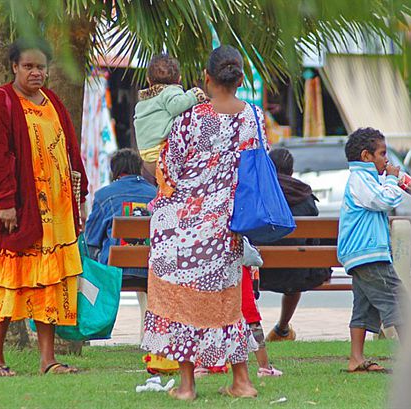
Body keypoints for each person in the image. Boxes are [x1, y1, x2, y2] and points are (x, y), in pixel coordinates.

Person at [141, 45, 262, 400]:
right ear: (240, 78)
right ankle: (241, 381)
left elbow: (169, 172)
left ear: (206, 79)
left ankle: (187, 385)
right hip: (226, 228)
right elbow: (255, 169)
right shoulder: (252, 117)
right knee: (227, 303)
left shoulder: (188, 119)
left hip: (181, 229)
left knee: (179, 304)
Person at [0, 38, 88, 376]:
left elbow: (71, 151)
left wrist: (79, 198)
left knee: (50, 284)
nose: (36, 72)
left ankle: (48, 360)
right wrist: (4, 203)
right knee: (9, 280)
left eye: (41, 67)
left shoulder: (52, 100)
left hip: (57, 214)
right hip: (20, 212)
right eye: (29, 66)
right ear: (14, 67)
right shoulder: (0, 102)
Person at [338, 127, 405, 373]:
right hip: (368, 254)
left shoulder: (365, 179)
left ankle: (356, 358)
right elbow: (383, 200)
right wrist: (392, 179)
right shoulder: (361, 179)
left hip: (362, 255)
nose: (386, 159)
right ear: (366, 156)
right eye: (382, 153)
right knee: (399, 302)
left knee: (364, 307)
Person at [84, 148, 156, 340]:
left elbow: (92, 239)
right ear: (139, 168)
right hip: (150, 269)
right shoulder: (157, 194)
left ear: (114, 170)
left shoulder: (104, 195)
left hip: (114, 271)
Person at [261, 148, 331, 341]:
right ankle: (282, 329)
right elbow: (313, 242)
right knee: (300, 261)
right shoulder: (305, 196)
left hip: (259, 273)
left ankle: (252, 329)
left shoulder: (256, 194)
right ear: (291, 172)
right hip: (297, 276)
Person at [134, 54, 206, 176]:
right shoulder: (171, 91)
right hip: (162, 152)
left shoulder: (143, 102)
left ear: (148, 80)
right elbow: (176, 106)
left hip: (146, 155)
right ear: (179, 79)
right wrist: (195, 93)